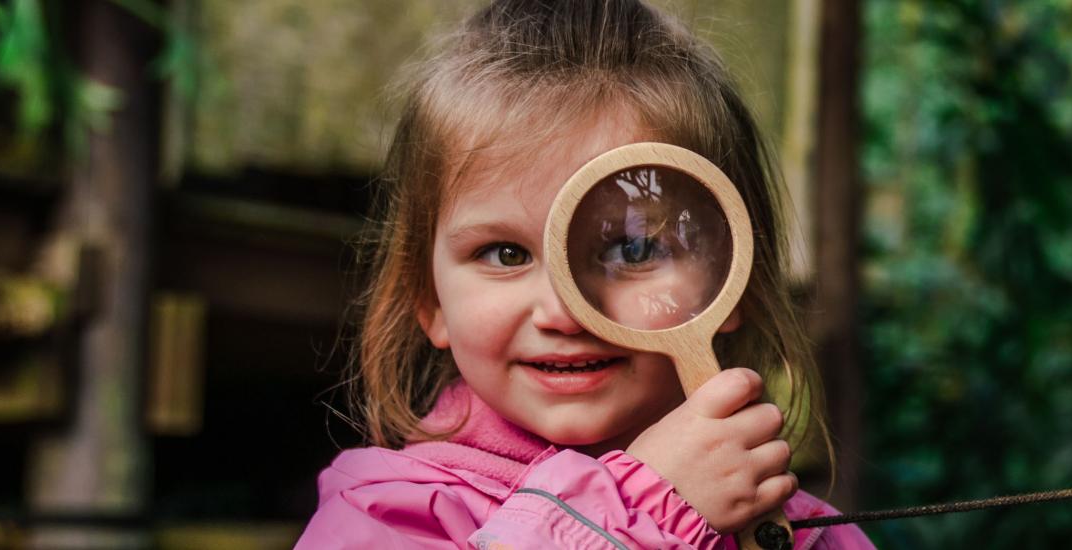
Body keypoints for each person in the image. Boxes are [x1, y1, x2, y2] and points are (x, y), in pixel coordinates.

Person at [296, 0, 871, 547]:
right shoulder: (380, 518)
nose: (565, 313)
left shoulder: (811, 537)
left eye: (637, 249)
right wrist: (647, 512)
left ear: (731, 277)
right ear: (430, 302)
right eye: (506, 254)